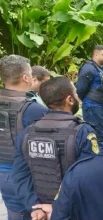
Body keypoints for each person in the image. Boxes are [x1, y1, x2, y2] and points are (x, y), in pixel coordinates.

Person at [12, 77, 100, 220]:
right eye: (76, 93)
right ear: (70, 100)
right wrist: (57, 208)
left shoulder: (26, 133)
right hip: (73, 211)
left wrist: (35, 207)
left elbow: (19, 176)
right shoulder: (83, 132)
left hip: (40, 213)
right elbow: (89, 179)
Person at [0, 55, 48, 220]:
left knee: (15, 214)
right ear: (25, 77)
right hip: (28, 177)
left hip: (4, 176)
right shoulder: (34, 110)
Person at [76, 45, 103, 150]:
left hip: (101, 107)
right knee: (95, 137)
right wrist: (88, 102)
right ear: (95, 55)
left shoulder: (101, 69)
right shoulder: (88, 69)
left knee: (100, 135)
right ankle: (97, 160)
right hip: (92, 108)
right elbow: (80, 89)